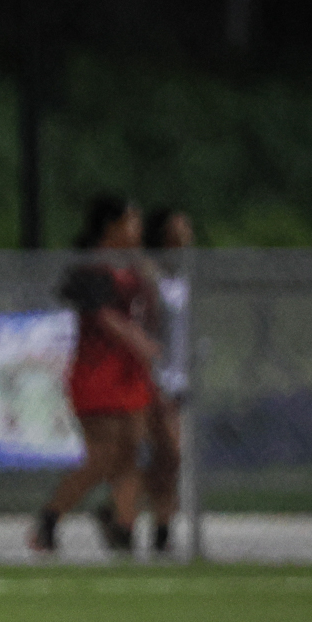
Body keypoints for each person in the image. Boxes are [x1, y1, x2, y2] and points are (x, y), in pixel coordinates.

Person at [31, 195, 161, 554]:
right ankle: (50, 517)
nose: (138, 231)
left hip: (132, 374)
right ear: (112, 227)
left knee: (132, 451)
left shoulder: (136, 268)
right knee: (103, 453)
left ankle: (122, 521)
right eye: (131, 222)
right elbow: (105, 317)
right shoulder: (91, 269)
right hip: (99, 374)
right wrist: (140, 342)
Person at [141, 207, 194, 553]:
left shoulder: (186, 277)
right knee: (168, 452)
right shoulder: (151, 277)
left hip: (180, 378)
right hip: (155, 379)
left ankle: (161, 524)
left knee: (168, 458)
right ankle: (149, 520)